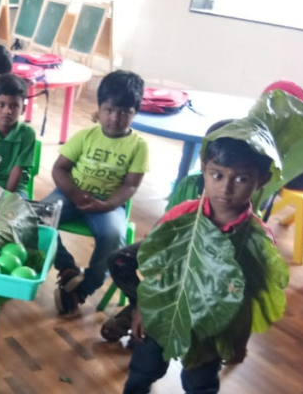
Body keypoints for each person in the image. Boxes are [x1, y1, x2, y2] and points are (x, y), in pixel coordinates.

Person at [119, 133, 274, 394]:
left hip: (212, 326)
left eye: (242, 179)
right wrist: (143, 308)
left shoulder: (258, 239)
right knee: (143, 368)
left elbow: (250, 298)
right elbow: (157, 265)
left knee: (200, 382)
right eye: (217, 175)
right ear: (203, 169)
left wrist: (239, 339)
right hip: (165, 311)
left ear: (262, 180)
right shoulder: (181, 215)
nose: (226, 188)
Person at [100, 119, 233, 342]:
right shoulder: (190, 184)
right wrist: (157, 237)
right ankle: (140, 307)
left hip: (205, 263)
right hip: (171, 245)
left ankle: (145, 316)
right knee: (119, 260)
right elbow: (170, 215)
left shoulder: (238, 195)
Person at [43, 70, 149, 315]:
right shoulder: (85, 136)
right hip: (70, 194)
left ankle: (83, 289)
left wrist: (107, 204)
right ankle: (67, 268)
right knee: (36, 217)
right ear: (99, 108)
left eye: (124, 112)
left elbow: (130, 186)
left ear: (135, 112)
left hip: (108, 204)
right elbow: (59, 169)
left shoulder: (139, 146)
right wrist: (74, 193)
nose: (115, 118)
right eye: (109, 110)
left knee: (113, 236)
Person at [0, 74, 36, 198]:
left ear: (23, 109)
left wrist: (6, 197)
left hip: (16, 189)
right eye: (1, 105)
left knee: (16, 207)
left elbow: (17, 169)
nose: (8, 111)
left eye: (14, 106)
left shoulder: (27, 134)